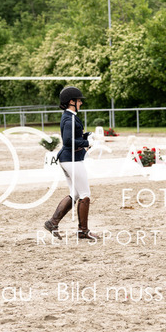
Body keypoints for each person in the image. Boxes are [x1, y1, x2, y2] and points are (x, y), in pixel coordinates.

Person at [44, 86, 99, 240]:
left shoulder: (70, 116)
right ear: (71, 102)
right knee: (85, 195)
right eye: (79, 100)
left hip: (68, 159)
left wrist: (86, 135)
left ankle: (53, 222)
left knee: (75, 193)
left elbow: (74, 136)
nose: (81, 103)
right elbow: (68, 141)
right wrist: (87, 142)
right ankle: (83, 231)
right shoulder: (69, 119)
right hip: (72, 159)